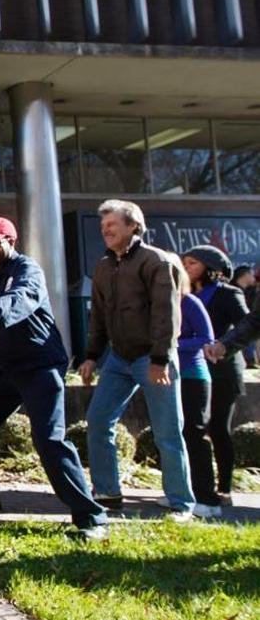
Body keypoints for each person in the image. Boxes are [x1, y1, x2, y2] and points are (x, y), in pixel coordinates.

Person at [0, 217, 107, 539]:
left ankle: (91, 517)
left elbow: (20, 300)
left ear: (10, 242)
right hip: (2, 371)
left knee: (49, 439)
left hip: (39, 367)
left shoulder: (27, 271)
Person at [77, 199, 194, 521]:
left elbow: (166, 315)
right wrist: (90, 356)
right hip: (118, 359)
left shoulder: (155, 261)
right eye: (103, 227)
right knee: (98, 421)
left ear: (133, 226)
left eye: (112, 225)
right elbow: (99, 315)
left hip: (152, 358)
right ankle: (108, 493)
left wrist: (160, 359)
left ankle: (181, 503)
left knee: (167, 432)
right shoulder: (102, 266)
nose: (106, 231)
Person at [186, 245, 246, 507]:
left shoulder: (228, 294)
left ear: (211, 269)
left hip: (223, 369)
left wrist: (222, 345)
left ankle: (224, 487)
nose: (186, 268)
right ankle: (195, 484)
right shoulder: (183, 295)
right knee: (193, 428)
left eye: (192, 263)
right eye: (184, 263)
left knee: (219, 428)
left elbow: (246, 325)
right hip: (194, 370)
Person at [166, 251, 220, 517]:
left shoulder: (189, 302)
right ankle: (180, 491)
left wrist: (175, 344)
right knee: (173, 434)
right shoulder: (159, 304)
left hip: (193, 375)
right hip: (167, 376)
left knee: (195, 435)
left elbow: (206, 338)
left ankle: (208, 499)